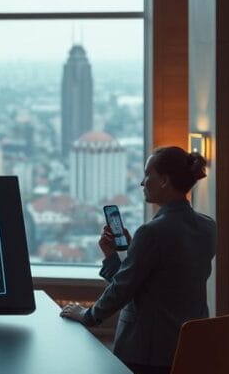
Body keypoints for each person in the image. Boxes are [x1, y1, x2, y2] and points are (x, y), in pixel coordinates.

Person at [60, 146, 217, 374]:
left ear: (164, 180)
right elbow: (154, 284)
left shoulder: (152, 233)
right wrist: (126, 254)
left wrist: (88, 315)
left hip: (147, 353)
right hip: (190, 349)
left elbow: (124, 289)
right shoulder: (208, 226)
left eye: (147, 175)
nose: (142, 183)